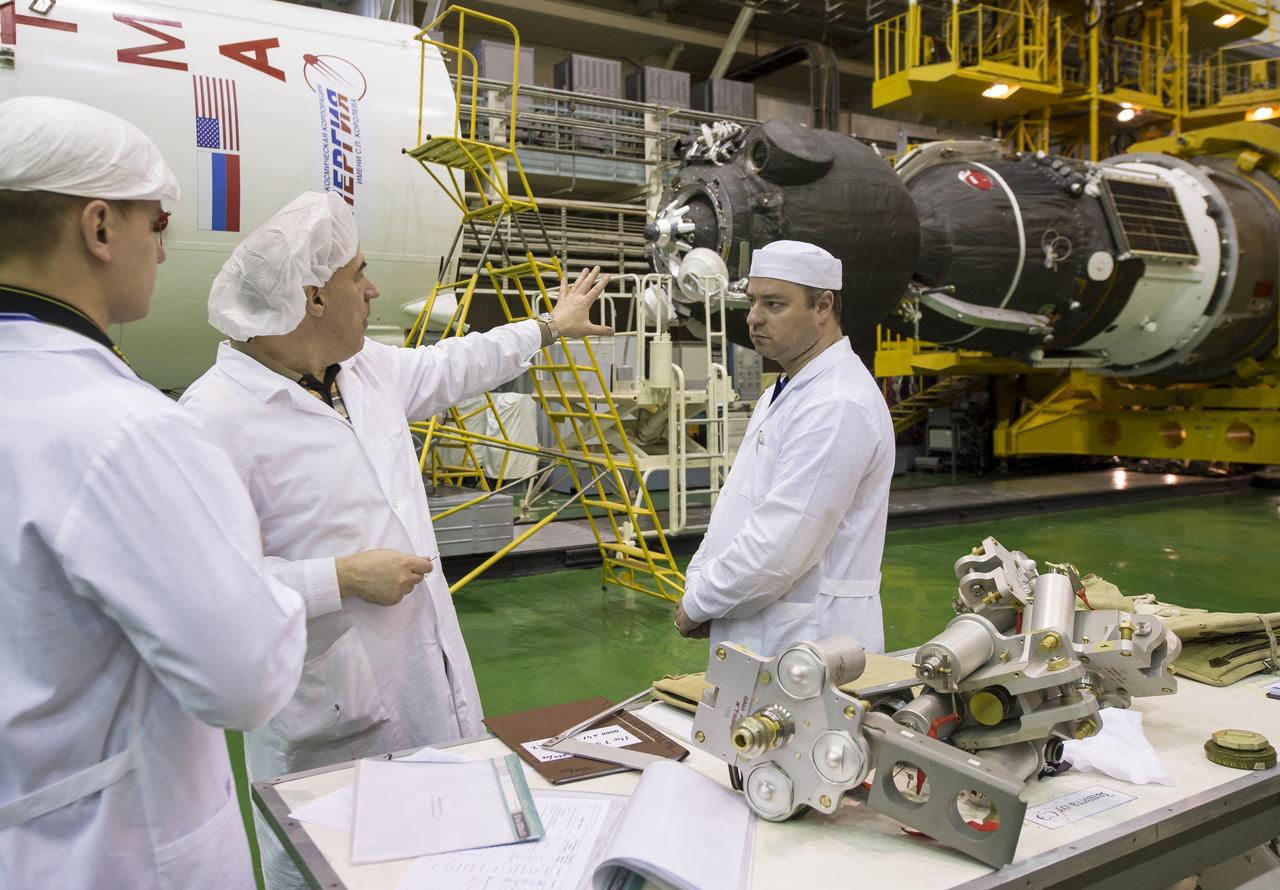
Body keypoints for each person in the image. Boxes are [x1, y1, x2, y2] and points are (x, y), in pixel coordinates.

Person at [178, 190, 612, 888]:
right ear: (314, 298)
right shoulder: (214, 420)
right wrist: (341, 578)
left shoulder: (362, 372)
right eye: (359, 273)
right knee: (340, 871)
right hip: (330, 722)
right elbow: (205, 594)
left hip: (428, 684)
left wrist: (548, 328)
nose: (373, 288)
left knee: (446, 859)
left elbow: (456, 363)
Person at [0, 96, 307, 889]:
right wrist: (269, 572)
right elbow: (245, 678)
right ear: (99, 227)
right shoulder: (124, 428)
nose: (162, 252)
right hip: (111, 855)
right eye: (156, 224)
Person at [674, 240, 894, 656]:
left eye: (774, 304)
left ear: (823, 306)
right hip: (765, 633)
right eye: (752, 301)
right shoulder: (785, 391)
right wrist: (701, 586)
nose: (753, 317)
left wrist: (700, 602)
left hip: (811, 641)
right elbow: (737, 508)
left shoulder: (836, 403)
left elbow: (779, 547)